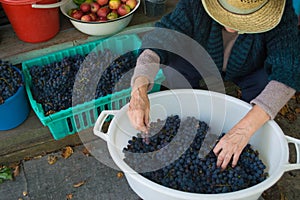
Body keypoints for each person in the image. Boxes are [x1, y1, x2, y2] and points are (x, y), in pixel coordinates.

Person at [127, 0, 300, 170]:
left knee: (266, 85)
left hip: (249, 69)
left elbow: (288, 70)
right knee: (174, 65)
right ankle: (190, 110)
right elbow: (158, 41)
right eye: (228, 16)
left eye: (243, 19)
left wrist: (244, 129)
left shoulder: (281, 15)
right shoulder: (194, 5)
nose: (232, 26)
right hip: (200, 62)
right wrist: (139, 89)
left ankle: (249, 118)